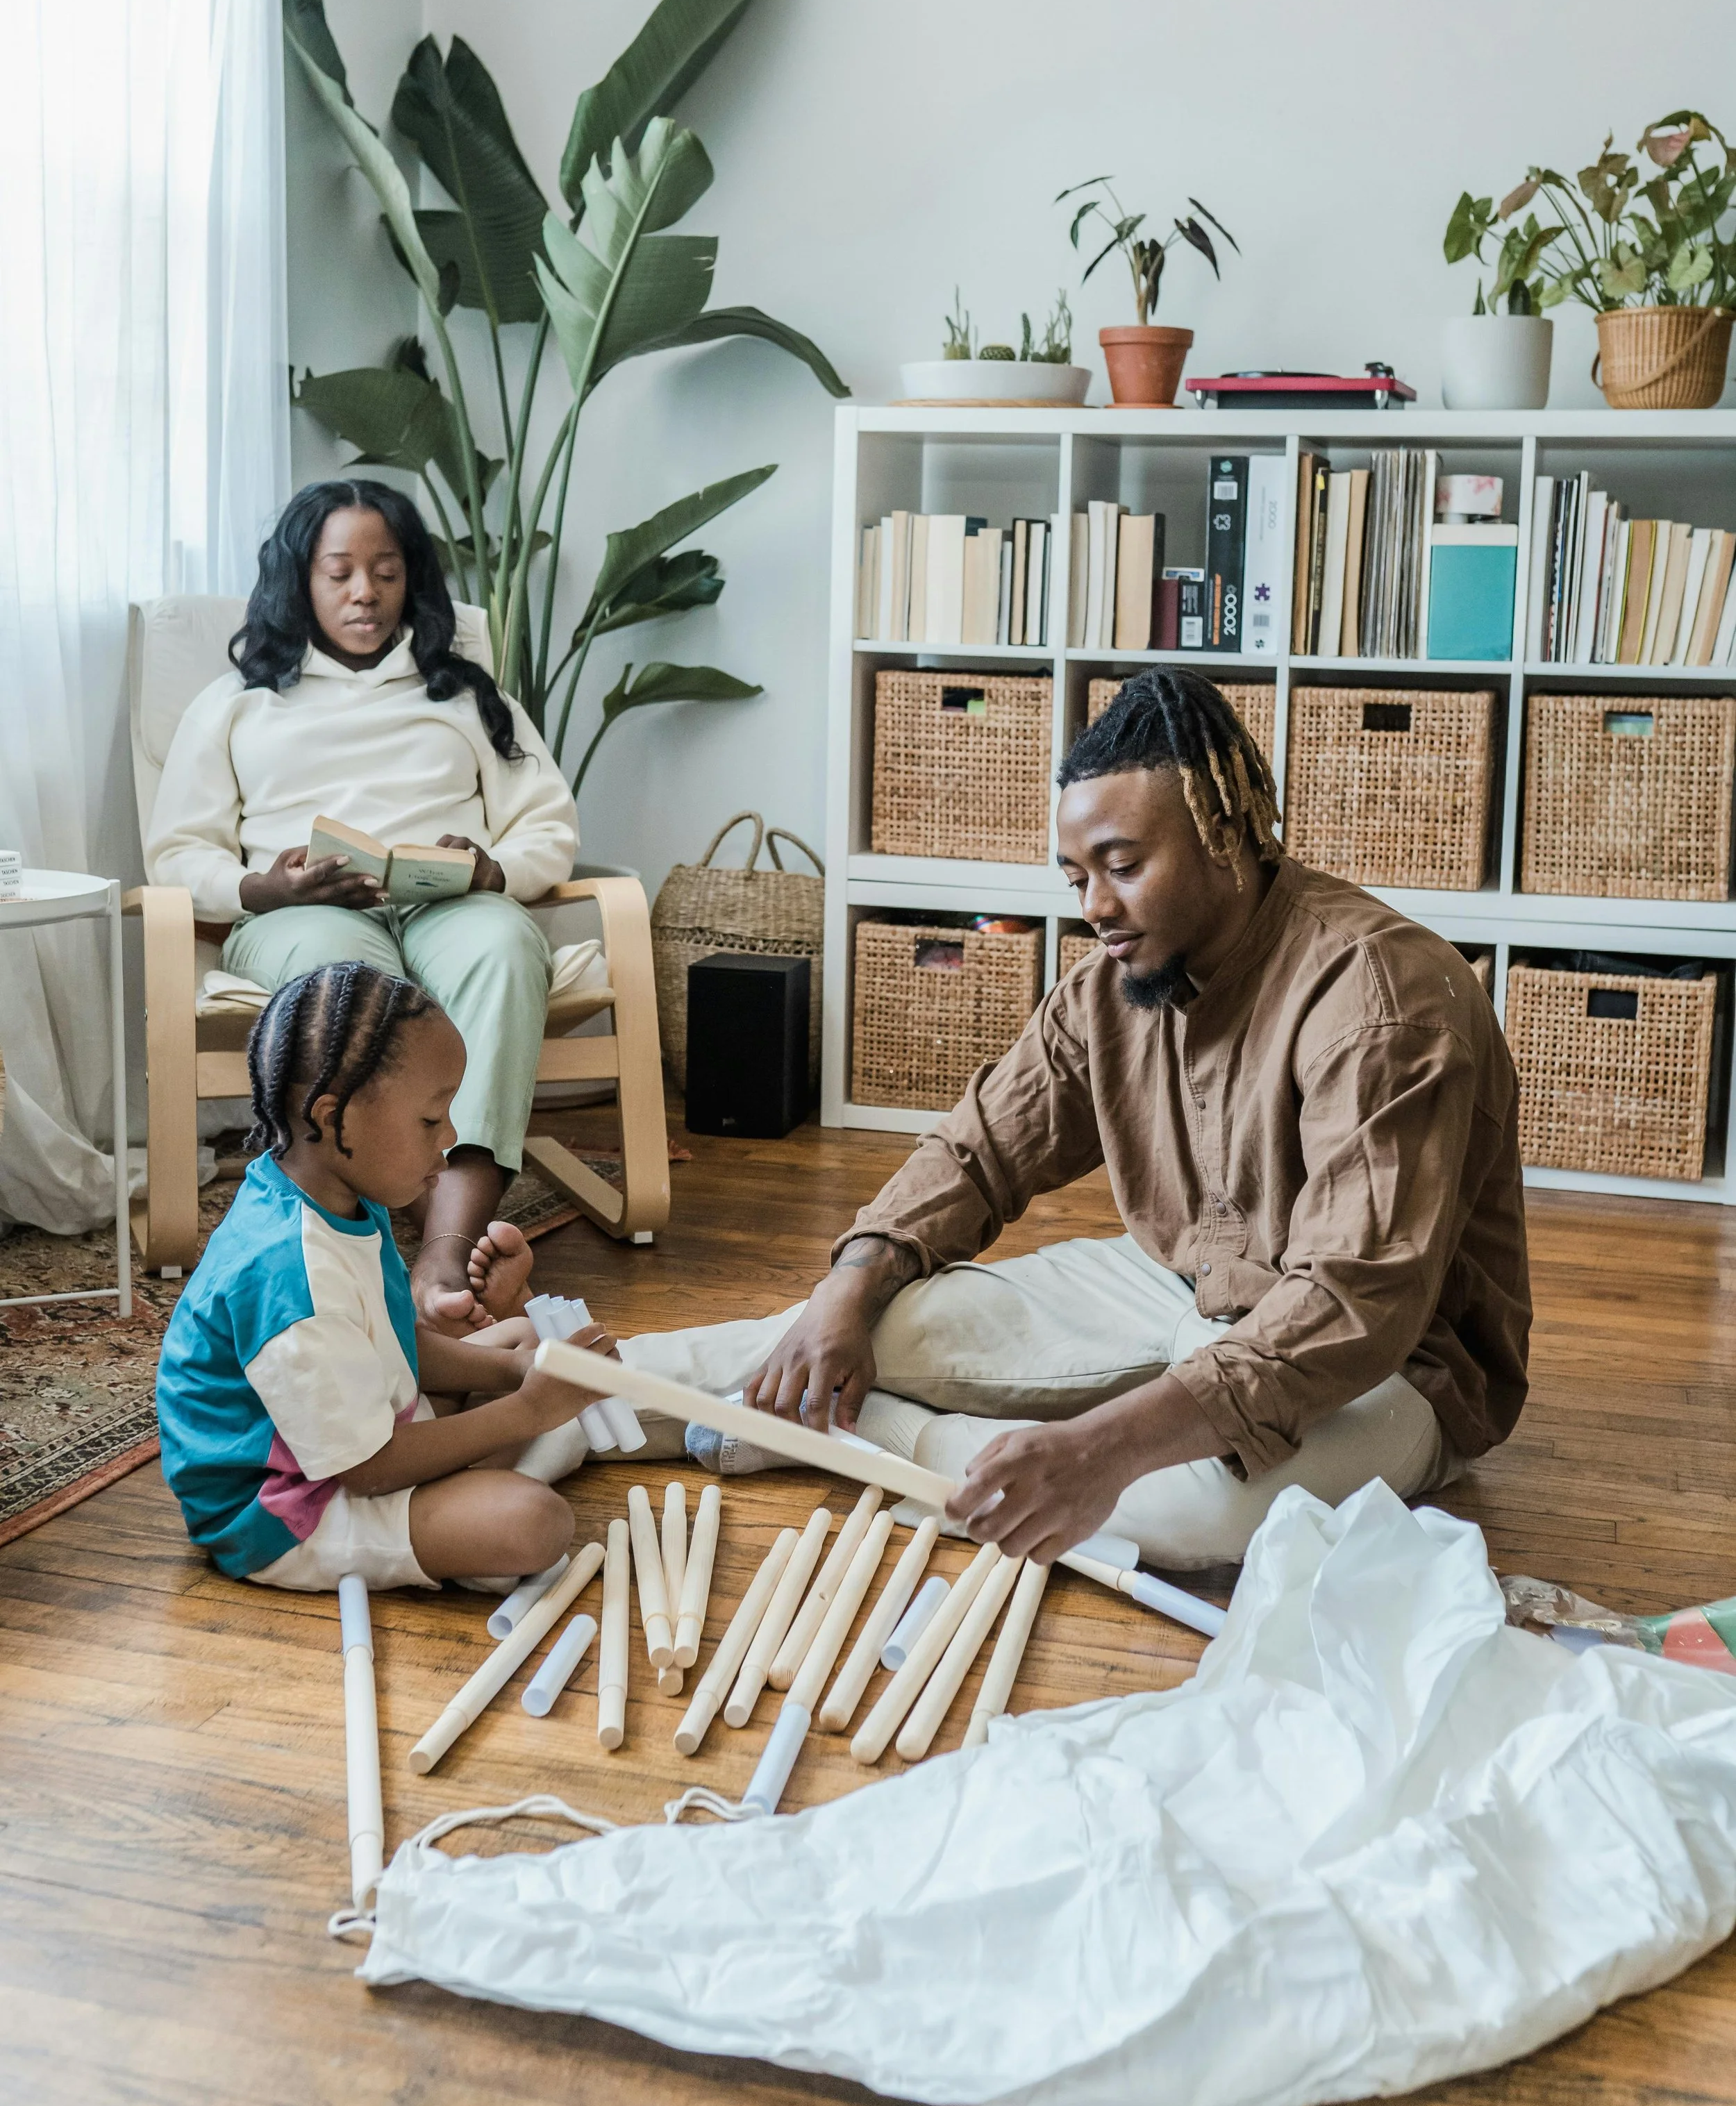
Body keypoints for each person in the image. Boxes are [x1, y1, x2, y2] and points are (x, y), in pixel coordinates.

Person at [629, 669, 1531, 1571]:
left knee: (1186, 1513)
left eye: (1123, 867)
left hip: (1390, 1366)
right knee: (860, 1326)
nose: (1095, 906)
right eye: (1077, 877)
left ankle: (861, 1434)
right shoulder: (1111, 981)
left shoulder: (1384, 998)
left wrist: (1105, 1446)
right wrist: (848, 1287)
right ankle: (576, 1388)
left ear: (1225, 834)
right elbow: (977, 1152)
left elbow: (1351, 1303)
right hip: (1177, 1284)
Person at [145, 477, 579, 1330]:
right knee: (345, 982)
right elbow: (177, 852)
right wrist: (264, 887)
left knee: (501, 948)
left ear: (410, 580)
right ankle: (397, 1233)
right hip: (299, 914)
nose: (364, 593)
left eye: (385, 573)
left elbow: (549, 826)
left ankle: (445, 1252)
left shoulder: (465, 695)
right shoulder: (237, 702)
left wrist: (491, 871)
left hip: (450, 905)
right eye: (339, 572)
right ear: (300, 580)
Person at [155, 962, 601, 1592]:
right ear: (335, 1118)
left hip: (353, 1441)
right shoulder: (292, 1275)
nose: (451, 1137)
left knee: (525, 1343)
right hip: (288, 1510)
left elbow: (394, 1345)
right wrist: (529, 1410)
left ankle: (464, 1497)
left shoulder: (344, 1196)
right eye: (431, 1119)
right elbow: (366, 1471)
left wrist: (515, 1373)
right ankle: (468, 1511)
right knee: (536, 1523)